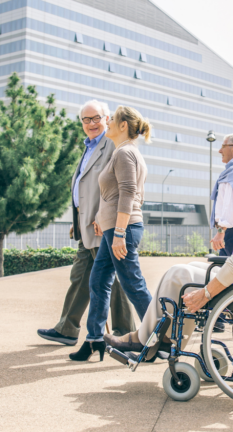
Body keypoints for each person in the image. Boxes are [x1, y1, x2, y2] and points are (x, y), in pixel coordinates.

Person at [105, 151, 233, 352]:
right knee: (189, 269)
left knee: (178, 274)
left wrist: (206, 293)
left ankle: (145, 339)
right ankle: (167, 340)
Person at [37, 100, 137, 350]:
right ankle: (67, 329)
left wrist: (99, 218)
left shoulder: (112, 145)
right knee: (81, 277)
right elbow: (84, 187)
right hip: (87, 224)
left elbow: (115, 188)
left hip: (102, 224)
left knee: (110, 280)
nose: (91, 124)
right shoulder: (89, 147)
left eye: (96, 118)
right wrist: (79, 220)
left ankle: (126, 332)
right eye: (86, 119)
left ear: (107, 119)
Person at [76, 106, 154, 361]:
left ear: (123, 126)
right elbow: (113, 195)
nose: (106, 123)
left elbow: (128, 193)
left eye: (112, 121)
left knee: (133, 284)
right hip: (115, 229)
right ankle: (94, 339)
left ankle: (161, 338)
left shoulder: (125, 153)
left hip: (124, 230)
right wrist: (101, 219)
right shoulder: (121, 152)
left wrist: (119, 232)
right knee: (98, 281)